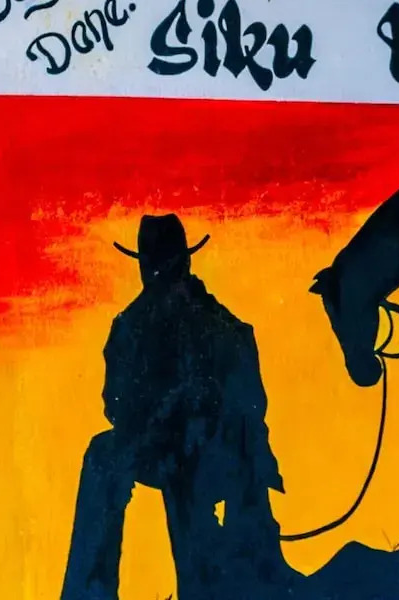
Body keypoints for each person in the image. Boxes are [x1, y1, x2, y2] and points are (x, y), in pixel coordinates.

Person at [60, 214, 288, 600]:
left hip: (221, 450)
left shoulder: (219, 325)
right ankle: (90, 590)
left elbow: (250, 402)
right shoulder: (132, 325)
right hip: (164, 447)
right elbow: (114, 403)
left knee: (185, 469)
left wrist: (203, 423)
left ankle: (204, 585)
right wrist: (156, 424)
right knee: (104, 456)